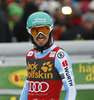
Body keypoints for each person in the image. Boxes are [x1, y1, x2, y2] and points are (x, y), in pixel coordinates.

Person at [20, 12, 77, 100]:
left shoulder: (59, 55)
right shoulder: (30, 54)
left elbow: (71, 89)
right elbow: (27, 86)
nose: (40, 35)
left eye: (44, 30)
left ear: (50, 30)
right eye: (35, 31)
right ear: (30, 33)